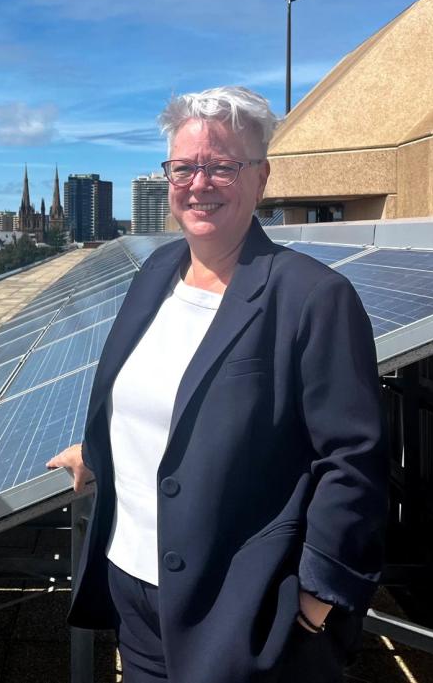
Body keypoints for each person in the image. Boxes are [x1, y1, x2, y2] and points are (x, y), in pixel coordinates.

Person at [48, 86, 387, 682]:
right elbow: (150, 400)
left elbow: (355, 462)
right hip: (136, 591)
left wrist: (314, 602)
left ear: (261, 179)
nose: (198, 183)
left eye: (222, 166)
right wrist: (102, 451)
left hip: (243, 607)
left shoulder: (311, 298)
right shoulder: (156, 273)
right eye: (184, 168)